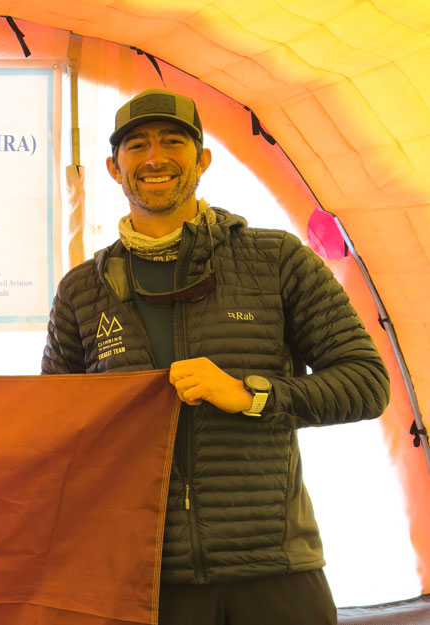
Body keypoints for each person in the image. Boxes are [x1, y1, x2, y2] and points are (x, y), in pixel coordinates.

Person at [41, 88, 389, 624]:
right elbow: (55, 429)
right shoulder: (82, 291)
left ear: (202, 159)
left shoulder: (276, 260)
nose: (155, 158)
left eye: (173, 141)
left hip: (276, 570)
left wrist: (251, 395)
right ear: (115, 168)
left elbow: (366, 383)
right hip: (147, 578)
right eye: (137, 146)